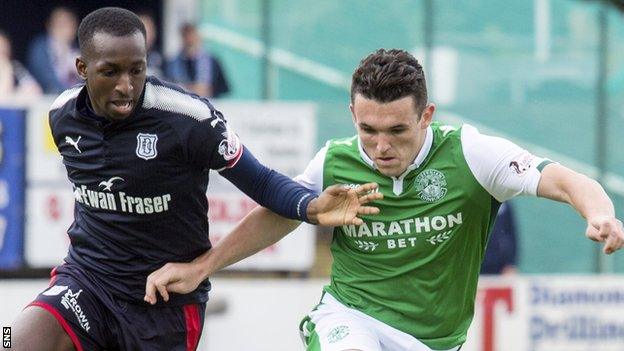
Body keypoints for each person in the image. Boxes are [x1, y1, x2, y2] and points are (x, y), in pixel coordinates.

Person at [145, 48, 624, 351]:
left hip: (434, 341)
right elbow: (278, 215)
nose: (380, 147)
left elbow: (563, 179)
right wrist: (202, 267)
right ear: (352, 113)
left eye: (397, 130)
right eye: (367, 129)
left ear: (426, 116)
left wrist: (599, 211)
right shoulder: (334, 161)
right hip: (349, 318)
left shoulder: (473, 155)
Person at [10, 8, 382, 351]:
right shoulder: (62, 114)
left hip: (163, 302)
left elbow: (263, 182)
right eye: (110, 72)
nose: (126, 85)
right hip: (87, 281)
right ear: (82, 67)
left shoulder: (188, 118)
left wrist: (311, 206)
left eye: (136, 70)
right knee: (12, 339)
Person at [167, 23, 230, 98]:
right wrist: (188, 87)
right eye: (186, 36)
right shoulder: (172, 63)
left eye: (192, 36)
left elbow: (224, 87)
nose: (190, 40)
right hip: (181, 105)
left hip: (206, 104)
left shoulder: (212, 61)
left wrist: (209, 89)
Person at [27, 6, 80, 94]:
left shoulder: (76, 51)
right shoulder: (40, 47)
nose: (65, 29)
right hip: (46, 99)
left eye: (69, 25)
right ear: (50, 26)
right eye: (61, 24)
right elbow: (46, 79)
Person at [0, 30, 42, 99]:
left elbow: (35, 90)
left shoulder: (15, 66)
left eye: (4, 46)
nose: (2, 49)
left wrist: (15, 92)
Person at [480, 202, 518, 275]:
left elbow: (511, 234)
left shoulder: (505, 205)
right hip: (477, 264)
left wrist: (511, 264)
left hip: (500, 266)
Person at [137, 11, 165, 78]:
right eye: (144, 31)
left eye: (150, 31)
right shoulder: (126, 58)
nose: (148, 36)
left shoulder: (161, 58)